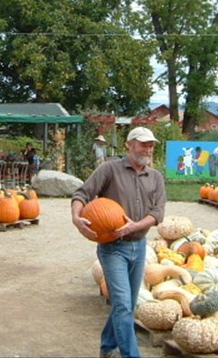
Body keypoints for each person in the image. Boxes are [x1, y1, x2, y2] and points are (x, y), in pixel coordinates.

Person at [72, 126, 166, 358]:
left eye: (151, 144)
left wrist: (135, 226)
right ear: (129, 144)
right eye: (143, 143)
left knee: (127, 306)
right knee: (123, 305)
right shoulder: (110, 170)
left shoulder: (155, 177)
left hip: (139, 245)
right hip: (113, 247)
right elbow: (82, 193)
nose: (148, 148)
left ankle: (107, 347)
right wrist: (76, 217)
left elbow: (158, 212)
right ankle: (131, 355)